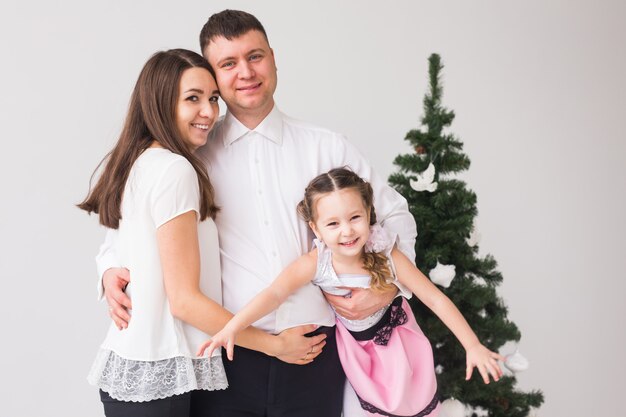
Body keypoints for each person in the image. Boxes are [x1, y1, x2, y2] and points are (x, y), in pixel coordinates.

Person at [98, 10, 417, 417]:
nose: (245, 72)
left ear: (273, 58)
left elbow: (395, 217)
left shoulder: (327, 147)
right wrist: (109, 271)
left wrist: (386, 286)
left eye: (255, 56)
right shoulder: (191, 155)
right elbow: (128, 232)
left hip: (314, 352)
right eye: (228, 64)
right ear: (213, 76)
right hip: (226, 356)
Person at [79, 48, 323, 417]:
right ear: (160, 103)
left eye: (212, 98)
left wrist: (109, 267)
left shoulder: (142, 161)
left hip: (141, 373)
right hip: (160, 376)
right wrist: (274, 346)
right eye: (193, 99)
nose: (209, 112)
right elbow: (185, 301)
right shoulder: (174, 170)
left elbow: (132, 249)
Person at [200, 168, 506, 417]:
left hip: (399, 347)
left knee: (408, 403)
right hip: (354, 355)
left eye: (355, 218)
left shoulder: (386, 253)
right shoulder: (316, 262)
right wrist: (233, 327)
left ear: (369, 213)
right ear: (316, 229)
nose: (346, 231)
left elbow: (433, 297)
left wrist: (473, 345)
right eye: (333, 223)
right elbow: (274, 294)